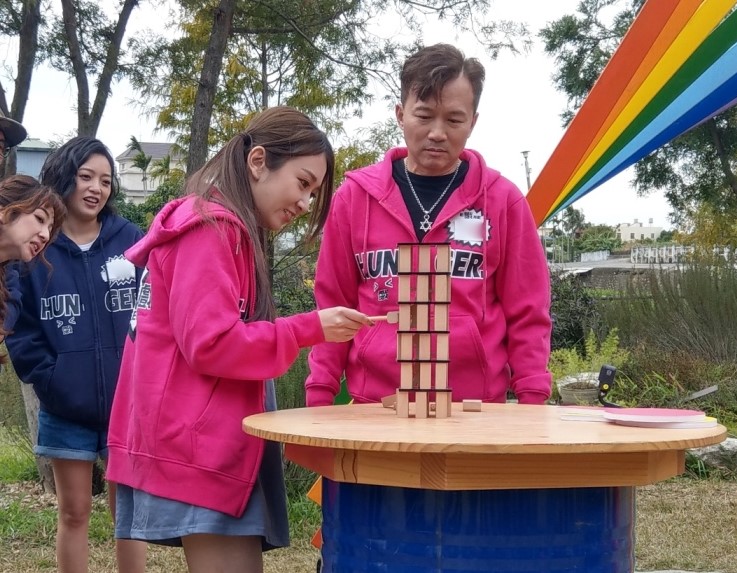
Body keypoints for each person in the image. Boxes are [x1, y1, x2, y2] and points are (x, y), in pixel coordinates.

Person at [105, 106, 372, 573]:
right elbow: (212, 345)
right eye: (303, 182)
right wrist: (311, 327)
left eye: (314, 191)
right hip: (199, 449)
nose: (306, 203)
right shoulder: (211, 230)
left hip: (202, 443)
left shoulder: (222, 228)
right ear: (258, 161)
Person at [306, 43, 553, 407]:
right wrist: (319, 396)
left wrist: (532, 401)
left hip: (476, 414)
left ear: (473, 121)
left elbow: (528, 313)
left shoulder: (503, 202)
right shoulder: (355, 199)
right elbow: (332, 306)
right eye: (424, 116)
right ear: (400, 114)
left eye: (454, 119)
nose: (438, 132)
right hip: (375, 411)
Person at [5, 137, 147, 573]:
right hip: (64, 405)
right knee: (74, 512)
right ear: (64, 176)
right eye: (85, 176)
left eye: (105, 180)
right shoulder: (36, 243)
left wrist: (143, 376)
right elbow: (21, 330)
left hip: (129, 404)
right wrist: (51, 379)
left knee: (129, 518)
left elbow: (155, 311)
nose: (95, 188)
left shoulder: (132, 240)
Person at [0, 174, 65, 339]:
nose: (45, 235)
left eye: (50, 229)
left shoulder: (9, 282)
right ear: (3, 209)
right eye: (39, 218)